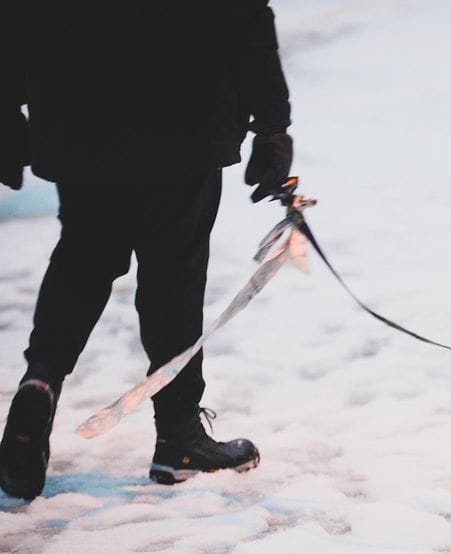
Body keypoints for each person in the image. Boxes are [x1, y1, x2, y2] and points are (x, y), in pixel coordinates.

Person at [0, 1, 295, 500]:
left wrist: (7, 107)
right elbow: (243, 17)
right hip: (182, 110)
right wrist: (272, 125)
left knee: (84, 254)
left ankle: (41, 381)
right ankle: (179, 437)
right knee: (173, 271)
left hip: (76, 107)